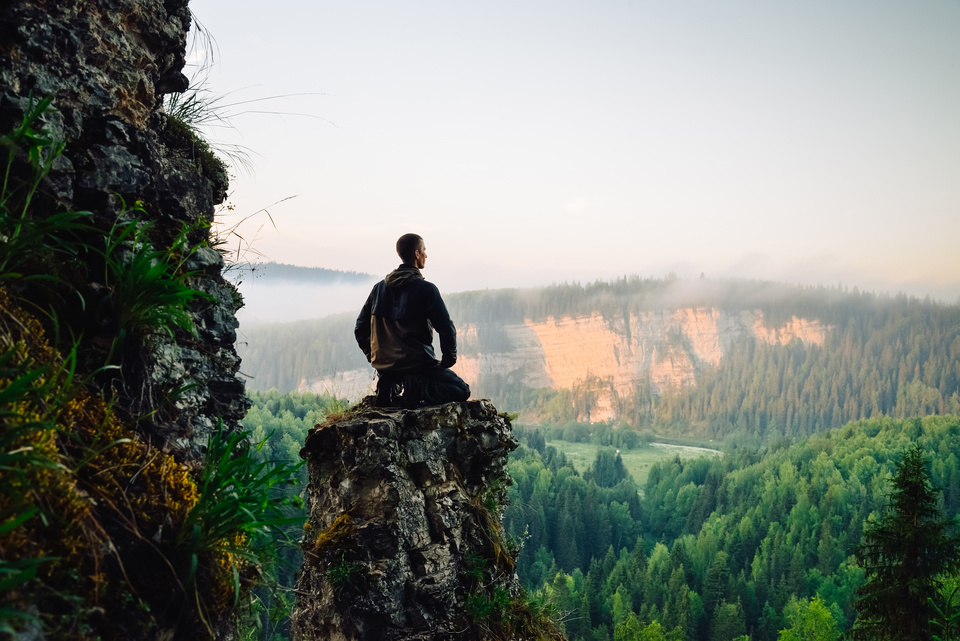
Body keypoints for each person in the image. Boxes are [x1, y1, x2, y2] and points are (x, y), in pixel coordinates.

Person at [354, 233, 470, 408]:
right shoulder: (426, 289)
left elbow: (360, 327)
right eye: (424, 250)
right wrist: (447, 361)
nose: (426, 255)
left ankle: (390, 383)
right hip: (418, 364)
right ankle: (416, 387)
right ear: (416, 254)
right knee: (461, 390)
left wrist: (374, 357)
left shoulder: (378, 289)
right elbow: (446, 327)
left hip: (387, 366)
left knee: (394, 375)